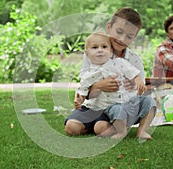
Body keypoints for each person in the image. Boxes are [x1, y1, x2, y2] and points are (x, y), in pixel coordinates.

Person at [64, 7, 156, 140]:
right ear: (109, 27)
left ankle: (107, 126)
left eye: (129, 36)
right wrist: (98, 86)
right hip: (94, 106)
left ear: (134, 37)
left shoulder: (134, 60)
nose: (122, 39)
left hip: (118, 106)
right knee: (71, 127)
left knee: (102, 125)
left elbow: (138, 92)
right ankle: (97, 126)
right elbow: (85, 83)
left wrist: (133, 87)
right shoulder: (94, 52)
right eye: (119, 32)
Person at [75, 32, 147, 139]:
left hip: (118, 105)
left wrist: (138, 80)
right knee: (82, 128)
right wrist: (79, 100)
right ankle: (108, 128)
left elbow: (131, 72)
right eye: (95, 48)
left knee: (122, 109)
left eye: (104, 47)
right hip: (99, 107)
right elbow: (83, 89)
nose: (100, 50)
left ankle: (119, 128)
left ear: (110, 51)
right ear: (87, 54)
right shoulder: (88, 74)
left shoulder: (118, 63)